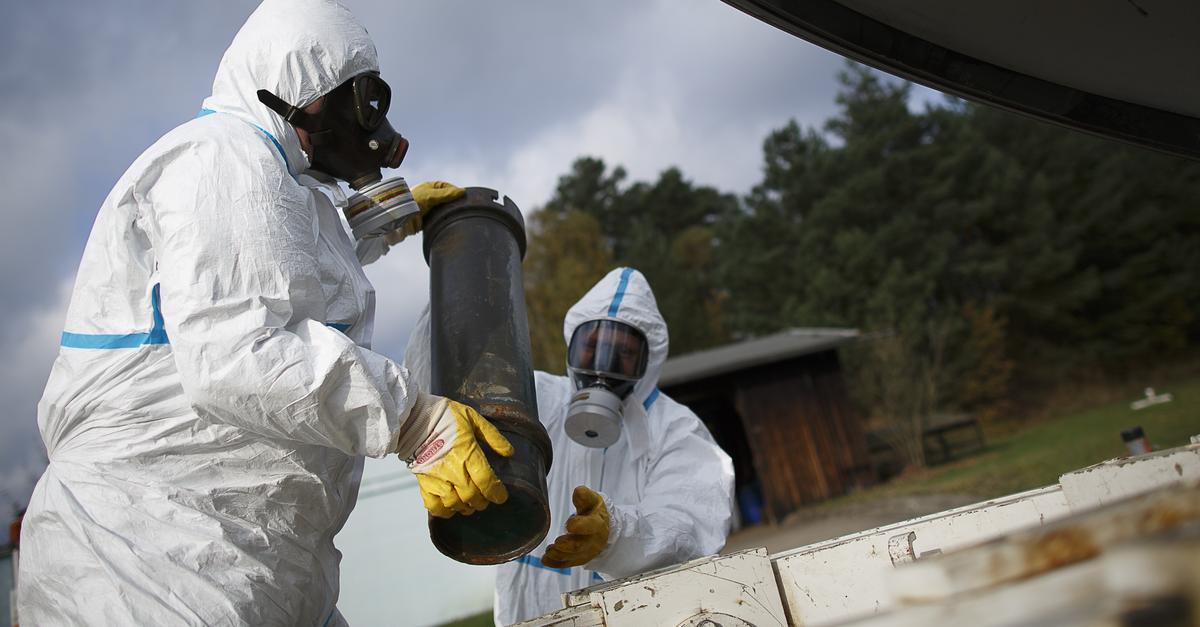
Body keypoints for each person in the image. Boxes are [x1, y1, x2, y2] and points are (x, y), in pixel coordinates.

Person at [19, 1, 512, 624]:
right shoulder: (221, 159)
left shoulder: (283, 180)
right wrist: (410, 419)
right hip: (147, 558)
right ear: (301, 93)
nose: (376, 127)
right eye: (362, 101)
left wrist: (380, 225)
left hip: (252, 552)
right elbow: (240, 354)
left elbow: (279, 272)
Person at [407, 267, 736, 625]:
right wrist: (455, 280)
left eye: (623, 354)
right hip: (528, 614)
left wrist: (616, 535)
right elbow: (439, 389)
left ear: (648, 361)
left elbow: (688, 524)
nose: (603, 366)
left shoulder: (675, 428)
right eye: (592, 347)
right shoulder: (535, 397)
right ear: (572, 347)